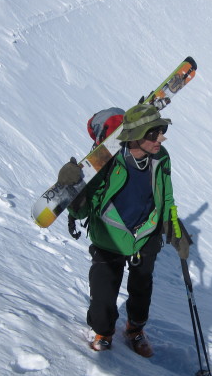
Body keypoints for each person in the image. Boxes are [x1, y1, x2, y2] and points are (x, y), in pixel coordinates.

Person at [58, 104, 176, 357]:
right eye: (154, 134)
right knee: (103, 293)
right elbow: (82, 210)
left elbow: (166, 197)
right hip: (109, 235)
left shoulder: (161, 157)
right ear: (135, 136)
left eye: (162, 132)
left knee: (142, 290)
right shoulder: (106, 162)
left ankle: (135, 329)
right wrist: (73, 191)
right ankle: (102, 332)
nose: (161, 139)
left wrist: (173, 228)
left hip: (146, 235)